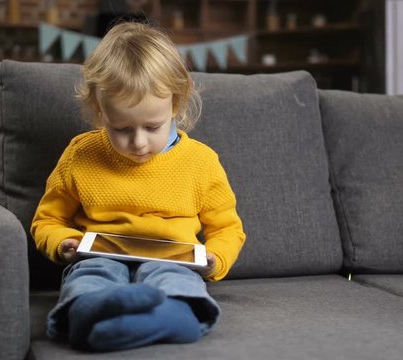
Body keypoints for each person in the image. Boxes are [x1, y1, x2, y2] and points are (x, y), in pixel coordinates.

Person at [31, 21, 246, 352]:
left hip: (172, 259)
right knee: (90, 279)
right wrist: (63, 243)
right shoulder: (81, 154)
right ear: (100, 111)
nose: (138, 143)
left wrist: (215, 259)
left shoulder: (201, 162)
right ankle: (92, 312)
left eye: (152, 126)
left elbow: (228, 229)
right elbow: (47, 221)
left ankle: (162, 315)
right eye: (121, 128)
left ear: (176, 104)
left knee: (175, 283)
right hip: (100, 255)